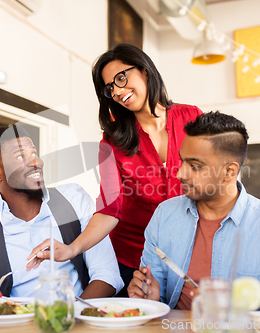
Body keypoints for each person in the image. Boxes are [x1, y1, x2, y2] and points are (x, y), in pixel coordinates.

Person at [27, 44, 203, 296]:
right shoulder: (112, 141)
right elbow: (111, 208)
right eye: (110, 88)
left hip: (188, 252)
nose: (118, 91)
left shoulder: (192, 118)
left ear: (144, 70)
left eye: (122, 78)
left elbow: (215, 178)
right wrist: (72, 249)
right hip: (133, 259)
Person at [127, 111, 260, 311]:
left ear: (230, 171)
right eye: (182, 161)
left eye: (195, 166)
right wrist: (150, 301)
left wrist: (226, 315)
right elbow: (154, 301)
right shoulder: (164, 215)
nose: (180, 173)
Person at [0, 125, 123, 305]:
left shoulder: (73, 199)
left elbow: (107, 275)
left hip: (78, 320)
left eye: (34, 153)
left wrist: (64, 318)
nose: (36, 162)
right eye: (21, 156)